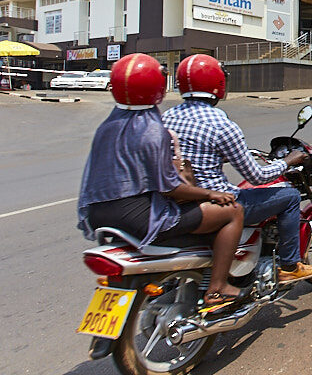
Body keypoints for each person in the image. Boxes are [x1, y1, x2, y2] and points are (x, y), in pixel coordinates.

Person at [78, 54, 247, 311]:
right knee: (234, 212)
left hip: (98, 214)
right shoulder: (151, 129)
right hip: (139, 218)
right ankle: (218, 288)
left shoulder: (107, 126)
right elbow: (170, 187)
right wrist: (210, 195)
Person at [162, 55, 312, 285]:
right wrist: (287, 161)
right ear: (218, 84)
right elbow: (256, 176)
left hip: (181, 202)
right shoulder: (221, 124)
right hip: (218, 203)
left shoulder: (168, 116)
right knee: (290, 197)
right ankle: (290, 265)